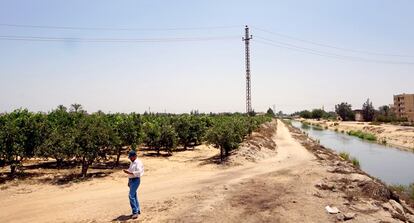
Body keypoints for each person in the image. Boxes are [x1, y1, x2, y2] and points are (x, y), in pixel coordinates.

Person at [123, 150, 144, 219]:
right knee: (134, 195)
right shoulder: (132, 162)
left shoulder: (138, 163)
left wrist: (128, 173)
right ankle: (138, 210)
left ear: (134, 156)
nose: (130, 159)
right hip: (132, 180)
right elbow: (131, 171)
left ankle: (135, 212)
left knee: (131, 195)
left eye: (131, 157)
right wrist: (129, 181)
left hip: (136, 180)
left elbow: (138, 172)